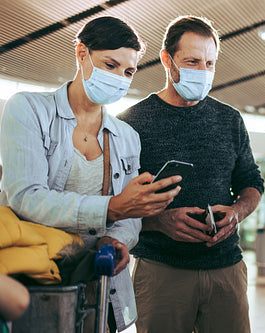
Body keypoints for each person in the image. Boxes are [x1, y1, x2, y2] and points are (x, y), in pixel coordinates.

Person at [0, 16, 181, 332]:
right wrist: (113, 208)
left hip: (99, 281)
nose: (119, 78)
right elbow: (26, 197)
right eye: (110, 65)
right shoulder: (28, 109)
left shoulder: (126, 137)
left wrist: (118, 236)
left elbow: (129, 216)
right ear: (81, 53)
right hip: (34, 277)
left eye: (128, 71)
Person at [118, 15, 264, 333]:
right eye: (193, 61)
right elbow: (113, 206)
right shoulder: (130, 123)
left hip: (226, 267)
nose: (202, 71)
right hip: (160, 271)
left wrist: (237, 212)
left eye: (209, 63)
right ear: (167, 60)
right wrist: (159, 222)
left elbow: (251, 181)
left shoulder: (230, 120)